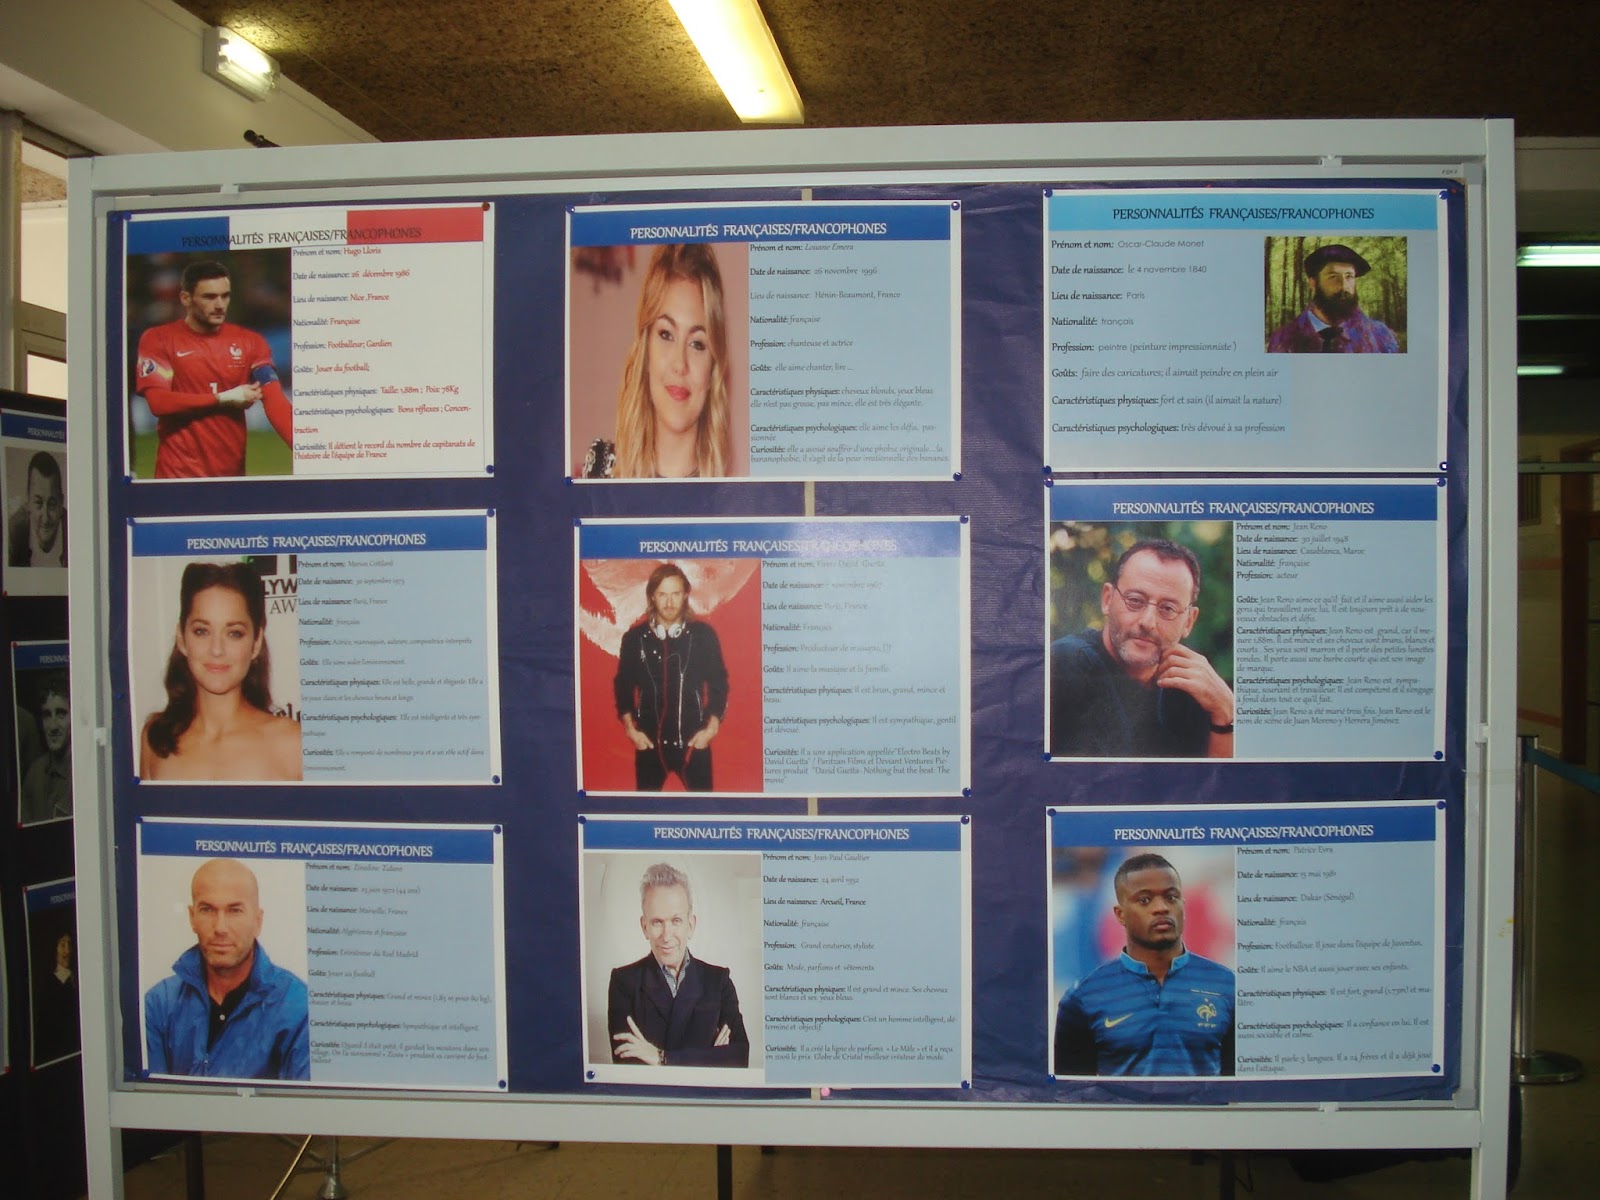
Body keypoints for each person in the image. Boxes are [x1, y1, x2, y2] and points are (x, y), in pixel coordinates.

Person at [1054, 853, 1235, 1077]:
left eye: (1170, 898)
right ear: (1120, 914)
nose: (1161, 908)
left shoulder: (1225, 985)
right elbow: (1073, 1089)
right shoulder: (1082, 997)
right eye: (1145, 900)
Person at [1050, 538, 1234, 758]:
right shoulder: (1063, 664)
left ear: (1188, 621)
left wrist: (1225, 712)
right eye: (1135, 601)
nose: (1148, 622)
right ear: (1107, 600)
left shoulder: (1194, 689)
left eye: (1167, 608)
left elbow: (1221, 778)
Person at [144, 857, 310, 1080]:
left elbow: (304, 1102)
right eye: (207, 910)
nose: (220, 927)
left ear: (257, 921)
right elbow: (149, 1098)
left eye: (234, 911)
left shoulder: (298, 1007)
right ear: (192, 918)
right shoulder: (159, 1004)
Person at [140, 562, 302, 782]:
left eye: (234, 633)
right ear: (182, 638)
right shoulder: (156, 739)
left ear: (256, 643)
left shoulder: (293, 744)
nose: (217, 650)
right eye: (202, 631)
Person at [582, 243, 732, 478]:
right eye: (666, 334)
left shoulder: (731, 496)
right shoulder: (600, 471)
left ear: (713, 367)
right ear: (646, 348)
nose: (680, 364)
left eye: (697, 344)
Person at [133, 260, 293, 477]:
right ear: (186, 298)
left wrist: (305, 450)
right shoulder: (159, 339)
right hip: (176, 477)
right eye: (209, 297)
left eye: (225, 296)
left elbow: (274, 399)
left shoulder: (250, 342)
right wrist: (221, 399)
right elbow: (158, 402)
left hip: (230, 478)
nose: (219, 304)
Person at [607, 862, 748, 1068]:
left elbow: (739, 1058)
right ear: (644, 927)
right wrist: (710, 1056)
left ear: (690, 925)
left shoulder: (718, 981)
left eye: (676, 921)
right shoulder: (624, 983)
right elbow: (628, 1065)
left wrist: (661, 1057)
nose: (667, 936)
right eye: (657, 922)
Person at [612, 562, 728, 791]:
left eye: (675, 594)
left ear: (685, 595)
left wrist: (710, 730)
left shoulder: (704, 636)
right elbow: (623, 686)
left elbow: (719, 685)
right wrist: (631, 730)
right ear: (652, 597)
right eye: (662, 594)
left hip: (694, 744)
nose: (669, 602)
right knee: (646, 810)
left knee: (703, 810)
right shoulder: (634, 639)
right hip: (649, 746)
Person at [1267, 242, 1400, 354]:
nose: (1343, 286)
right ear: (1313, 283)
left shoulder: (1380, 336)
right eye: (1333, 277)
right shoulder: (1283, 339)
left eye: (1349, 276)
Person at [20, 671, 71, 823]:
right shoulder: (35, 772)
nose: (53, 726)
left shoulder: (85, 773)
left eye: (61, 714)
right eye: (47, 715)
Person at [7, 450, 66, 566]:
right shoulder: (14, 532)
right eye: (38, 503)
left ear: (61, 503)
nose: (45, 519)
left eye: (52, 504)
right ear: (28, 502)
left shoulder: (74, 529)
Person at [32, 931, 80, 1064]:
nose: (67, 951)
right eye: (62, 945)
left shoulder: (78, 977)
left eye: (69, 945)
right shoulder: (50, 984)